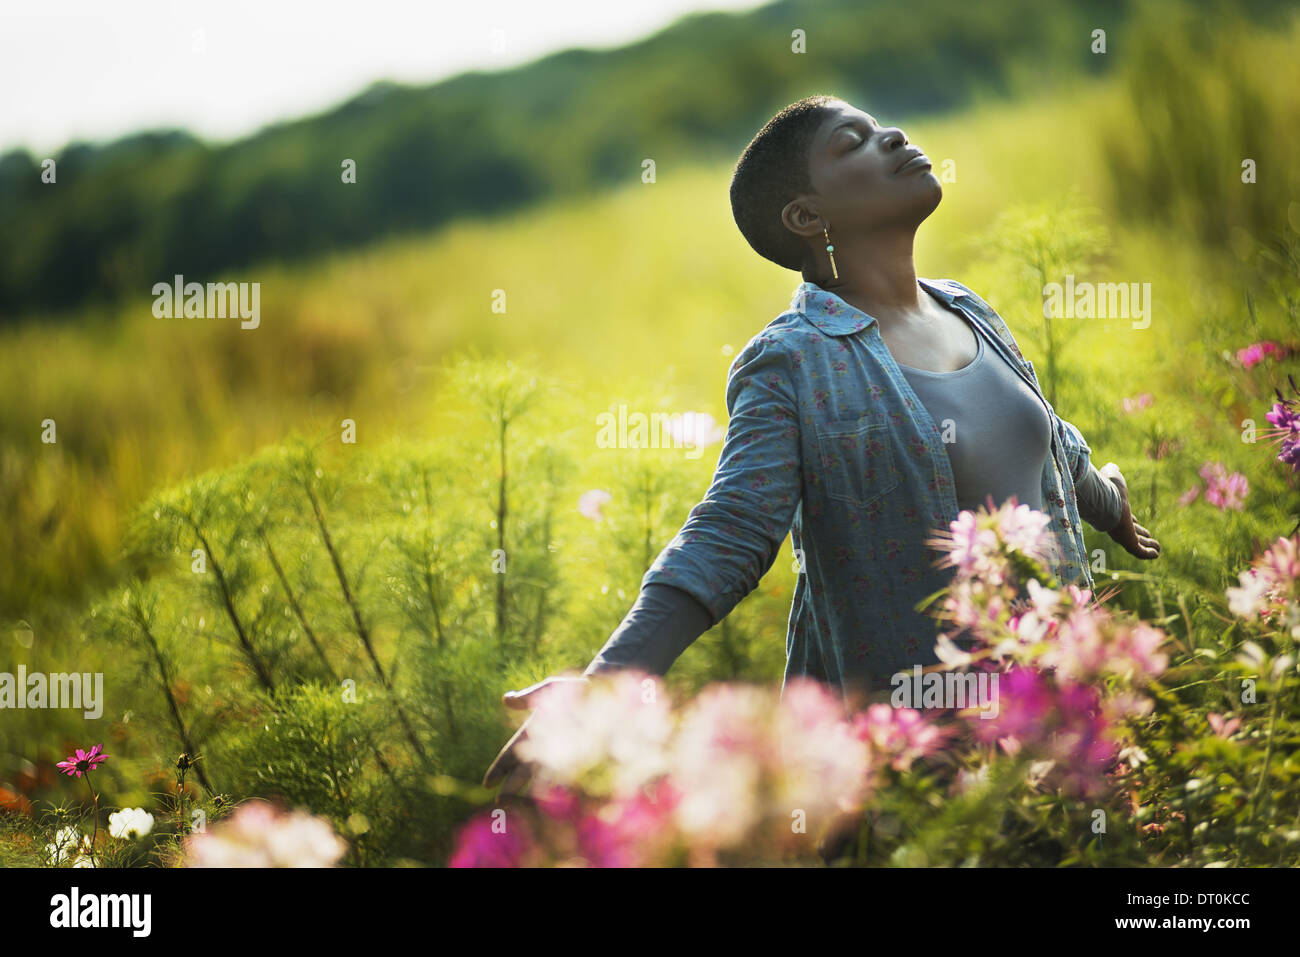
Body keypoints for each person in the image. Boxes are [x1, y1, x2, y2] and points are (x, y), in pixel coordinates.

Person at [482, 94, 1161, 797]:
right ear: (808, 216)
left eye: (879, 127)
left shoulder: (967, 307)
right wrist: (608, 684)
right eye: (853, 142)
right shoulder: (793, 362)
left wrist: (1108, 502)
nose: (894, 135)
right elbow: (730, 530)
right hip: (937, 761)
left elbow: (1046, 439)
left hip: (1069, 720)